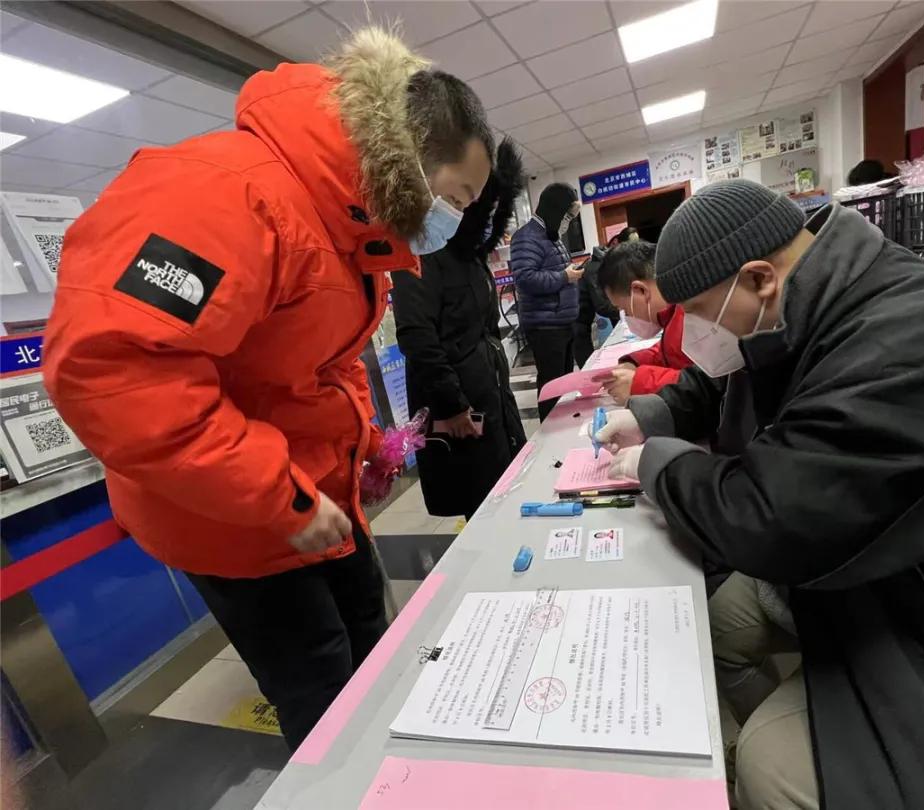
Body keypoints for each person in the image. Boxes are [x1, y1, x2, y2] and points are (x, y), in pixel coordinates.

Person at [43, 27, 494, 751]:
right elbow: (114, 369)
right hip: (232, 518)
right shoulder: (222, 194)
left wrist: (362, 444)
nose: (459, 218)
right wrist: (275, 492)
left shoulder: (345, 220)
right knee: (320, 683)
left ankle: (392, 778)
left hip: (311, 494)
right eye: (458, 196)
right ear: (412, 160)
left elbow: (324, 358)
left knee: (369, 647)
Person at [597, 180, 924, 809]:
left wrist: (655, 463)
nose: (693, 338)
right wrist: (654, 415)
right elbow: (733, 379)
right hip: (862, 573)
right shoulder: (810, 302)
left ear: (760, 278)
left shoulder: (917, 331)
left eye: (699, 315)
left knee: (771, 770)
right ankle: (803, 709)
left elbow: (771, 516)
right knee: (713, 627)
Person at [391, 138, 528, 520]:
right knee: (480, 503)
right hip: (460, 411)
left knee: (504, 489)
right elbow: (418, 336)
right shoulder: (423, 251)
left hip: (491, 396)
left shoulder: (471, 256)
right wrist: (453, 405)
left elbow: (482, 330)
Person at [511, 183, 582, 420]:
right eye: (567, 215)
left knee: (564, 382)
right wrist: (565, 276)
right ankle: (550, 434)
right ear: (554, 209)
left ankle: (563, 429)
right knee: (552, 386)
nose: (568, 221)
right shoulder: (526, 237)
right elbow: (525, 278)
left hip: (561, 322)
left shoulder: (552, 236)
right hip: (546, 327)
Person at [594, 240, 693, 405]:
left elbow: (708, 385)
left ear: (640, 291)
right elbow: (668, 353)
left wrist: (639, 383)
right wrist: (634, 362)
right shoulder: (673, 315)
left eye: (624, 308)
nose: (626, 316)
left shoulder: (691, 316)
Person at [570, 229, 629, 369]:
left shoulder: (609, 264)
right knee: (587, 367)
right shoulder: (595, 267)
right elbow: (602, 305)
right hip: (576, 322)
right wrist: (627, 310)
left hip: (584, 319)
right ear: (615, 243)